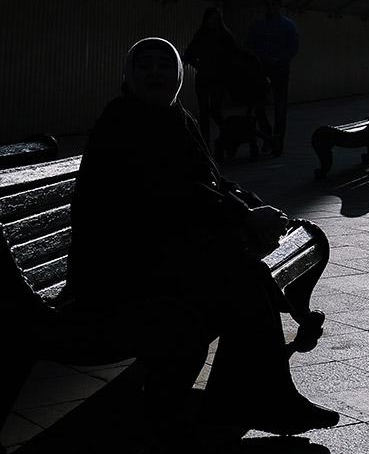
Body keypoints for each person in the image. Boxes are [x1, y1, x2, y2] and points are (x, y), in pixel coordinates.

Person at [65, 37, 338, 448]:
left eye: (164, 66)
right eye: (144, 66)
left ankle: (249, 399)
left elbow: (210, 181)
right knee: (241, 280)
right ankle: (256, 399)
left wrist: (256, 207)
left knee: (244, 277)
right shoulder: (123, 122)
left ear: (177, 75)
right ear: (128, 77)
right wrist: (244, 217)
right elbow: (168, 194)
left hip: (155, 257)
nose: (155, 73)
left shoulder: (175, 117)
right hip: (118, 274)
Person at [247, 0, 298, 156]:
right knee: (271, 107)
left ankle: (273, 140)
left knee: (275, 107)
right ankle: (273, 139)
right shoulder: (286, 25)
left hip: (273, 69)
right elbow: (292, 48)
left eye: (273, 4)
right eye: (268, 4)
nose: (270, 7)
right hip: (271, 69)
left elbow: (292, 47)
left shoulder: (278, 26)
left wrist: (274, 59)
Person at [182, 7, 237, 146]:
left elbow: (189, 54)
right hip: (209, 78)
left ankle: (216, 138)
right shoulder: (219, 35)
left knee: (212, 110)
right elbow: (189, 53)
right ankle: (215, 138)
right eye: (211, 19)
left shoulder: (213, 35)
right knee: (207, 111)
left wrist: (199, 65)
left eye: (214, 19)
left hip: (214, 78)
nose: (212, 22)